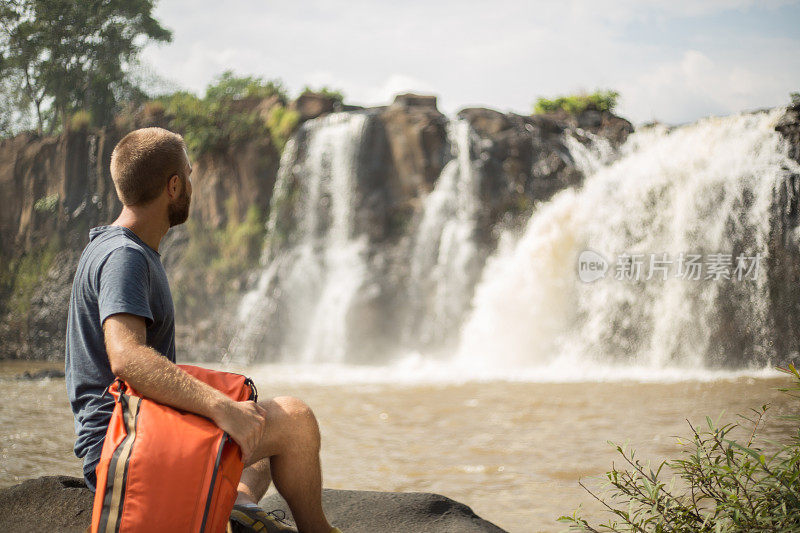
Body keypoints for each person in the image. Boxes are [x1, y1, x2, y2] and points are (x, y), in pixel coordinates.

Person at [65, 127, 339, 533]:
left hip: (129, 430)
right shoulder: (125, 257)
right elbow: (126, 356)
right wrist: (221, 408)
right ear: (174, 186)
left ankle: (243, 504)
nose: (192, 185)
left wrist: (228, 406)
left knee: (259, 422)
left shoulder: (110, 245)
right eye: (189, 176)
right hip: (122, 446)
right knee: (294, 420)